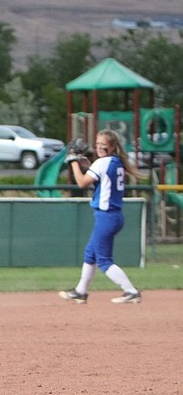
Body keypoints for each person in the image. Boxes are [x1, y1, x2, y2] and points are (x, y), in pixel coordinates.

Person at [59, 129, 142, 305]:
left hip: (107, 217)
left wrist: (73, 161)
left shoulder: (102, 162)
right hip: (113, 216)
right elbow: (99, 176)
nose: (99, 148)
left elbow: (81, 182)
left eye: (103, 146)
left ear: (112, 147)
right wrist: (86, 164)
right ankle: (81, 292)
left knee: (104, 260)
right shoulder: (116, 162)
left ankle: (131, 291)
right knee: (90, 253)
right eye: (97, 145)